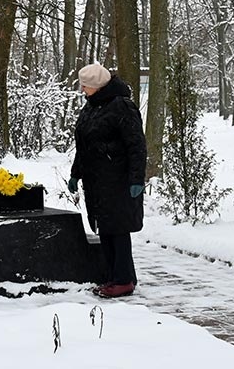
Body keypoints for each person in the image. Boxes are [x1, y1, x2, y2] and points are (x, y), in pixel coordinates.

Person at [68, 63, 147, 299]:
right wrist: (76, 173)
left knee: (118, 229)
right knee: (106, 229)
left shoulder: (121, 106)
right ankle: (119, 276)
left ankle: (122, 281)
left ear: (98, 86)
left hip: (118, 179)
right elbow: (84, 146)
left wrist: (136, 179)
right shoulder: (91, 107)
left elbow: (136, 145)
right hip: (97, 181)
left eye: (86, 86)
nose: (83, 90)